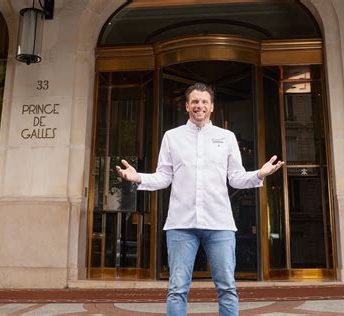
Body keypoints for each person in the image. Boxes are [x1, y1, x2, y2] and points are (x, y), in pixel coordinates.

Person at [116, 82, 284, 316]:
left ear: (212, 106)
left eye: (204, 101)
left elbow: (235, 178)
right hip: (181, 225)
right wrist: (138, 178)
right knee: (177, 289)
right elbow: (164, 177)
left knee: (227, 288)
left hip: (220, 224)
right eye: (194, 101)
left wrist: (259, 174)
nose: (199, 106)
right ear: (187, 106)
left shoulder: (226, 137)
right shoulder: (172, 137)